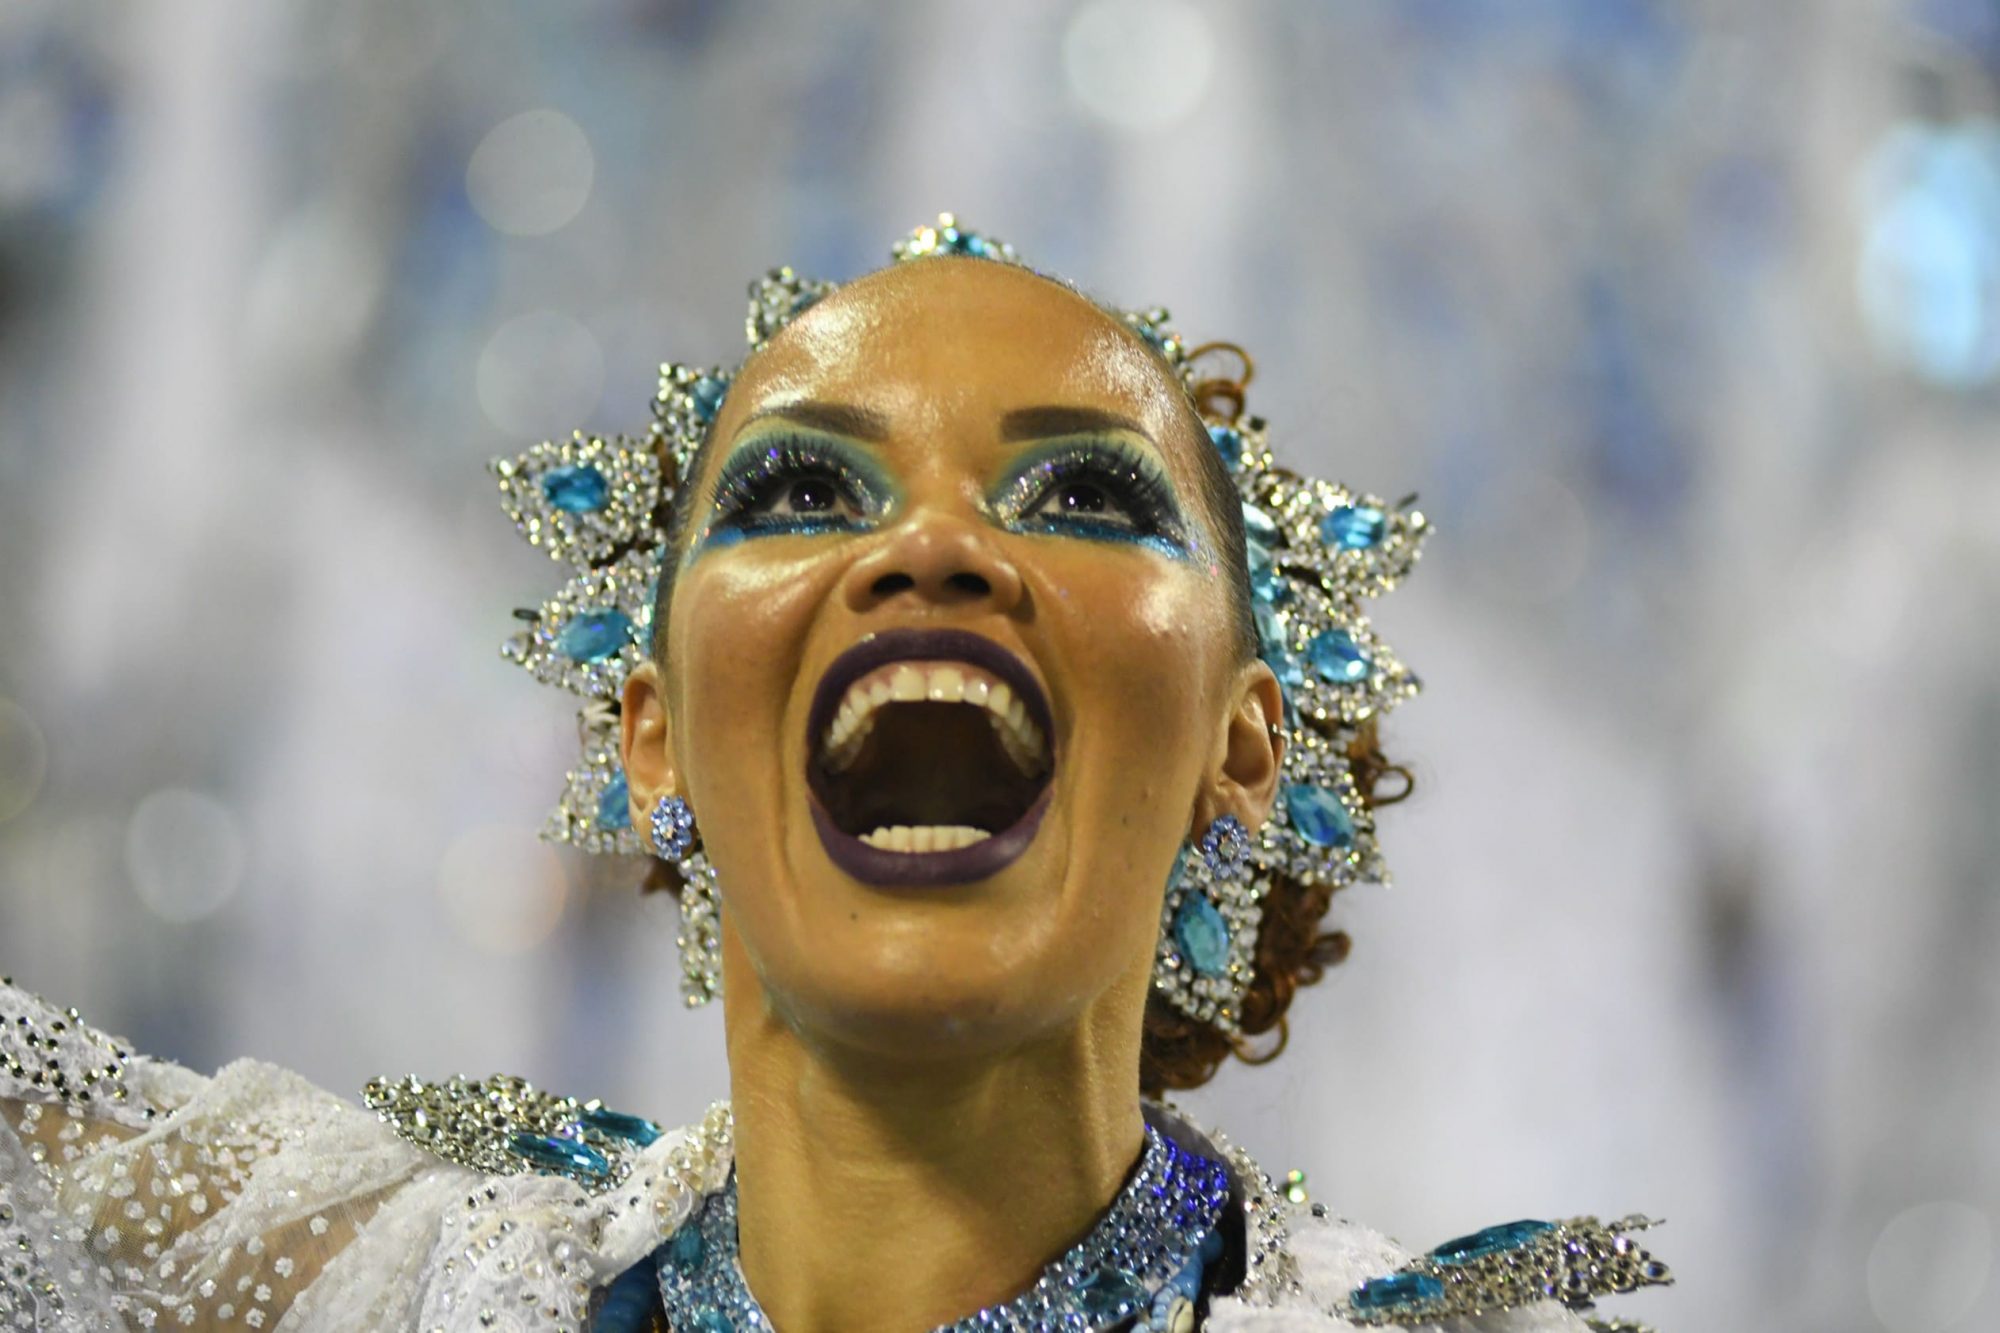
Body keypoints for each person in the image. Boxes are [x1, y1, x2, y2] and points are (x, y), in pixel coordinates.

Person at [0, 218, 1671, 1331]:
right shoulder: (412, 1285)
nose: (934, 542)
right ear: (651, 731)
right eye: (803, 489)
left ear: (1242, 745)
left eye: (1083, 497)